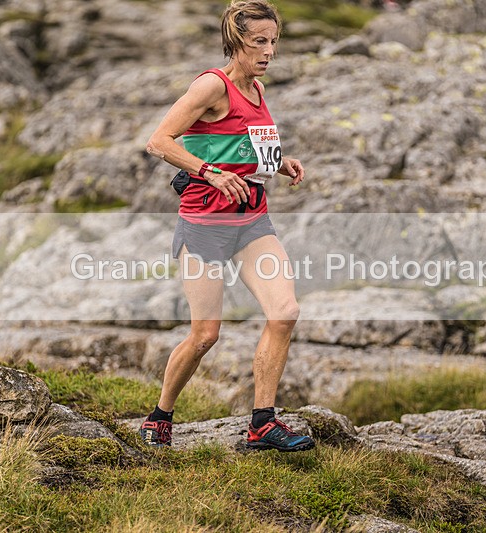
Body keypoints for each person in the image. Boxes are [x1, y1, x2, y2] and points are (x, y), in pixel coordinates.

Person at [141, 0, 314, 452]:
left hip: (253, 220)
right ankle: (160, 416)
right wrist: (210, 172)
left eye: (274, 41)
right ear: (236, 42)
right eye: (259, 41)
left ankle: (262, 423)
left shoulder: (257, 89)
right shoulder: (210, 86)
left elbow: (248, 149)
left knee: (285, 312)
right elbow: (159, 141)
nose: (269, 50)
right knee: (205, 335)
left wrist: (279, 164)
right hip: (205, 225)